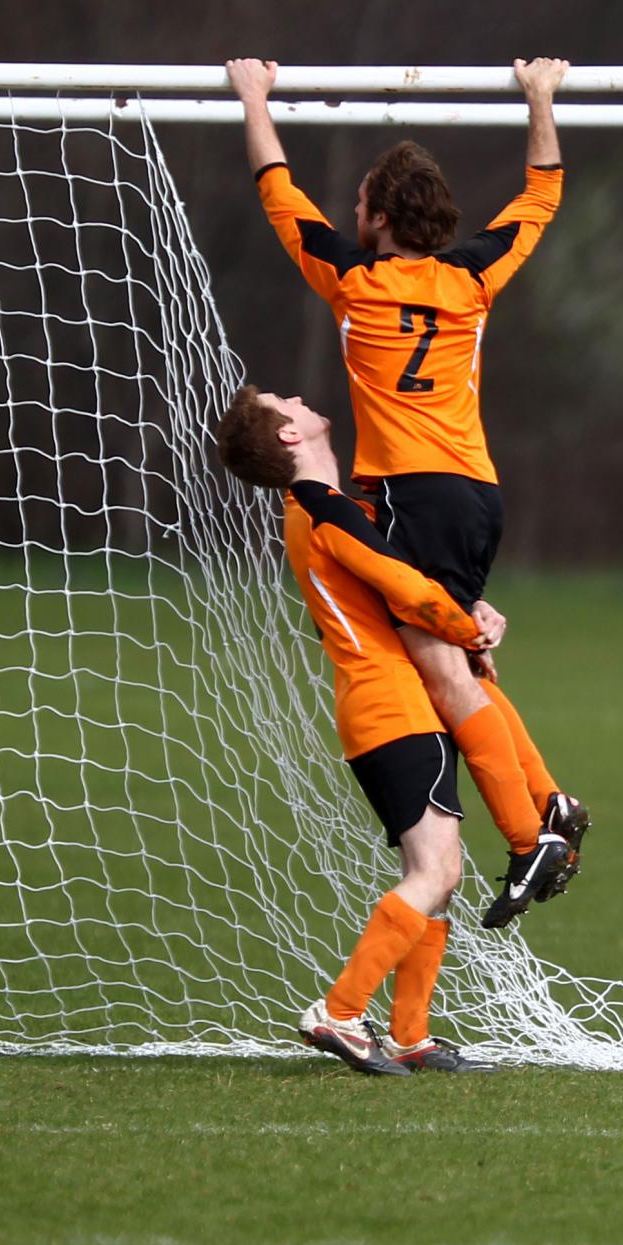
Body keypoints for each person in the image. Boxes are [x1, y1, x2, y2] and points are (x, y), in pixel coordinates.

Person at [226, 54, 586, 928]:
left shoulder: (353, 283)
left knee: (442, 672)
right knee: (461, 664)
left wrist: (255, 100)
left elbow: (281, 196)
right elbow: (541, 193)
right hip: (477, 493)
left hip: (416, 497)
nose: (351, 216)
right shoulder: (472, 280)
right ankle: (553, 806)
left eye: (359, 206)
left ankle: (530, 829)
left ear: (380, 220)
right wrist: (541, 98)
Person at [216, 383, 503, 1074]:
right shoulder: (325, 511)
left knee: (435, 870)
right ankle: (339, 1012)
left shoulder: (332, 508)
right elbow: (407, 592)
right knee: (436, 868)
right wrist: (469, 632)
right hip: (392, 703)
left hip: (388, 702)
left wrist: (472, 613)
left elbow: (405, 582)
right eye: (282, 402)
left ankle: (412, 1035)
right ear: (290, 436)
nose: (295, 396)